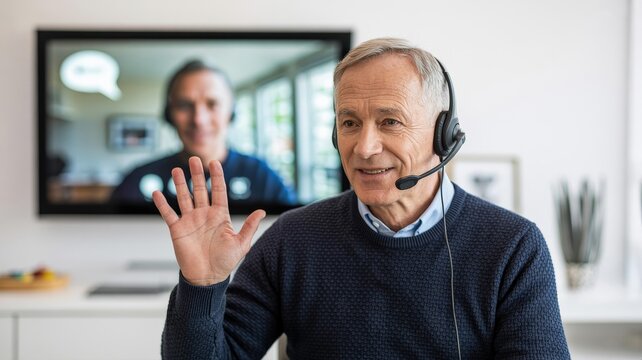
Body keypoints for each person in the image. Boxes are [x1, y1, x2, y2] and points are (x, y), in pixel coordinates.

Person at [154, 38, 570, 359]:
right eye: (349, 122)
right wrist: (202, 285)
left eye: (390, 121)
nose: (365, 147)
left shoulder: (513, 247)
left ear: (444, 134)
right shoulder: (292, 239)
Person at [110, 60, 296, 207]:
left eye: (212, 104)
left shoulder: (263, 177)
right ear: (169, 114)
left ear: (231, 112)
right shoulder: (137, 181)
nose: (199, 119)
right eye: (184, 105)